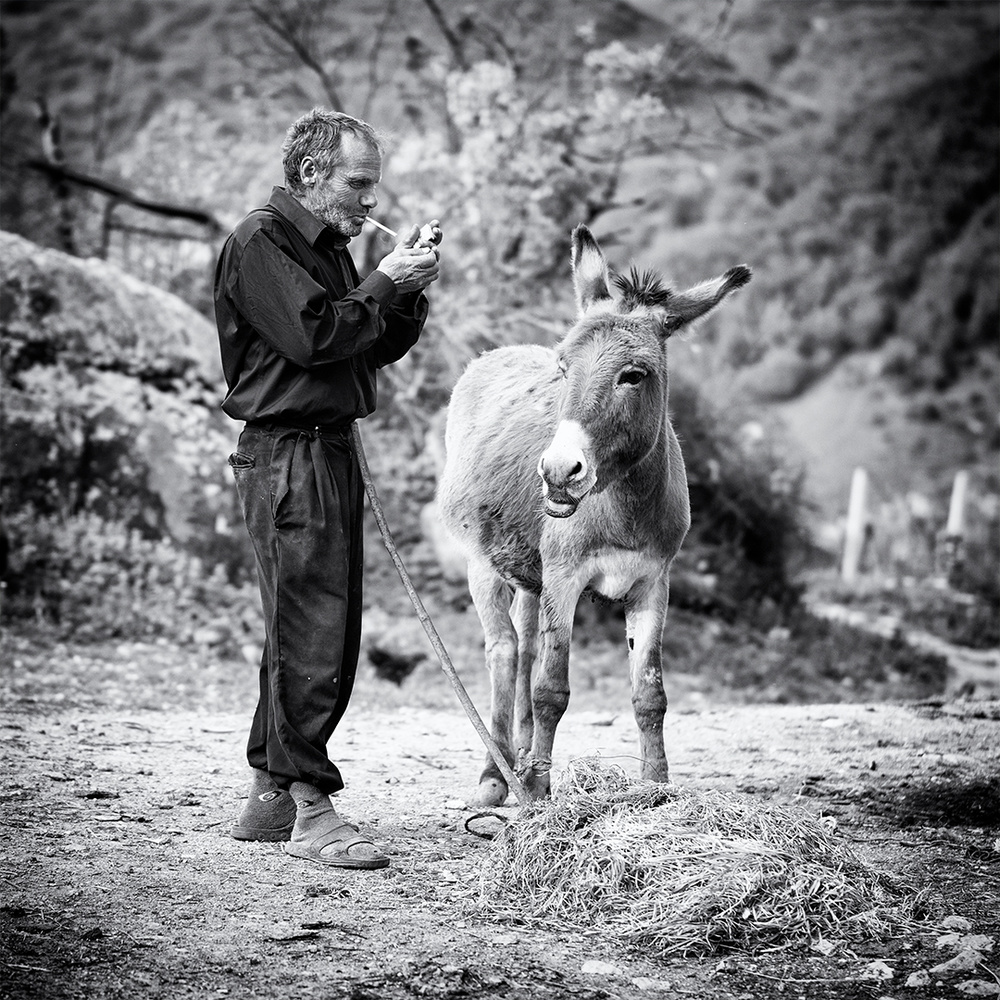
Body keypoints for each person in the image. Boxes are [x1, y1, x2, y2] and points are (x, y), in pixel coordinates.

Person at [213, 108, 441, 870]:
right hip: (286, 455)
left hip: (325, 452)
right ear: (312, 174)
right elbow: (316, 337)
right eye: (359, 183)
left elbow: (370, 343)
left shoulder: (331, 248)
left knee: (314, 627)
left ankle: (271, 801)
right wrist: (382, 280)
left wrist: (405, 288)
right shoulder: (260, 243)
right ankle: (313, 811)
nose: (370, 202)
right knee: (311, 628)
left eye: (373, 185)